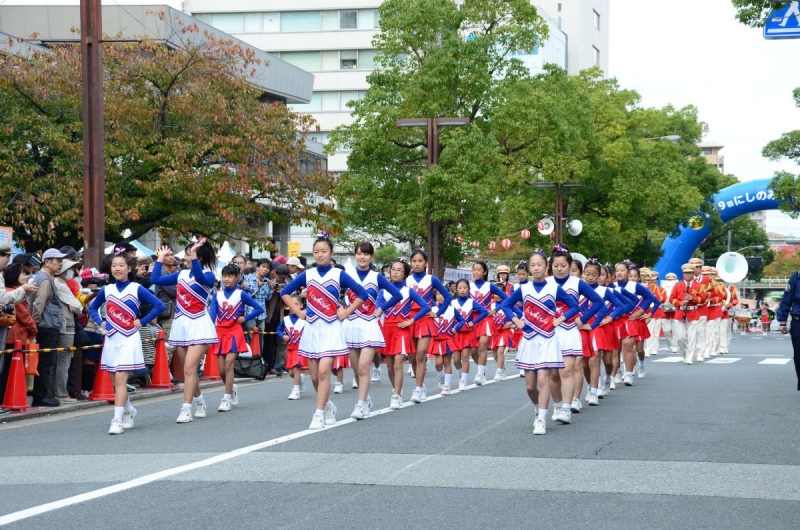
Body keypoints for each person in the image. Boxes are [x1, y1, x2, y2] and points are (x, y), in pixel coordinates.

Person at [280, 231, 368, 430]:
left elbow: (362, 293)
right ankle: (327, 405)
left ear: (331, 253)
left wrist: (346, 312)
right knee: (313, 376)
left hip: (331, 328)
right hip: (312, 328)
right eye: (316, 251)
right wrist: (297, 311)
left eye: (323, 251)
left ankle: (318, 413)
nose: (319, 255)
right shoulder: (307, 274)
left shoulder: (339, 274)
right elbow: (285, 292)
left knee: (323, 372)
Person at [497, 249, 579, 436]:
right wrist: (517, 321)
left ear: (546, 266)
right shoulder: (523, 288)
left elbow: (574, 306)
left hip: (548, 338)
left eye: (539, 265)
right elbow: (506, 305)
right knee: (530, 386)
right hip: (529, 339)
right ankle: (537, 408)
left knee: (543, 379)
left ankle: (541, 419)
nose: (536, 268)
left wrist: (559, 319)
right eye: (532, 265)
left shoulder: (554, 288)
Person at [89, 251, 164, 434]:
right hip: (112, 338)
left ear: (129, 268)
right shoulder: (107, 290)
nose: (117, 269)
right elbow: (92, 307)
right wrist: (100, 322)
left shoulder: (136, 288)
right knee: (115, 381)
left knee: (121, 378)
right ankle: (129, 409)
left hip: (129, 337)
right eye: (114, 265)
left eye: (121, 265)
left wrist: (142, 321)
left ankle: (117, 420)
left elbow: (159, 305)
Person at [151, 239, 219, 423]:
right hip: (180, 325)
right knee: (188, 371)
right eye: (188, 253)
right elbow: (154, 279)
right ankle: (199, 401)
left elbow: (199, 278)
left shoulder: (209, 275)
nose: (186, 256)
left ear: (199, 256)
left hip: (199, 325)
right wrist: (159, 259)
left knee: (190, 368)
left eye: (190, 253)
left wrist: (195, 257)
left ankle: (185, 408)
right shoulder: (180, 275)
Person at [342, 242, 401, 420]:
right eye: (359, 253)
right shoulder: (347, 275)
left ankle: (360, 405)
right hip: (351, 326)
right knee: (355, 370)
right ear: (354, 255)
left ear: (371, 257)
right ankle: (366, 399)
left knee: (363, 367)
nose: (362, 257)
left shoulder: (377, 277)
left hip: (368, 324)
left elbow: (397, 295)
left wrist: (381, 308)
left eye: (366, 254)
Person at [208, 264, 265, 412]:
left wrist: (245, 318)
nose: (226, 279)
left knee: (228, 365)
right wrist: (209, 329)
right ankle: (231, 387)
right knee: (221, 370)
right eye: (224, 275)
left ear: (236, 277)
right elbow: (212, 315)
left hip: (234, 332)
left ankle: (226, 398)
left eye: (230, 276)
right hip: (220, 332)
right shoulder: (217, 294)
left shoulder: (241, 294)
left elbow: (259, 308)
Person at [377, 258, 431, 407]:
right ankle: (397, 390)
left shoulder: (409, 291)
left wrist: (411, 320)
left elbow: (425, 307)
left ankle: (396, 396)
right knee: (389, 366)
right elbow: (378, 309)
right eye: (393, 269)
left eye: (399, 270)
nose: (395, 272)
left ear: (406, 274)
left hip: (402, 329)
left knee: (398, 363)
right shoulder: (383, 291)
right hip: (387, 329)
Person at [405, 250, 453, 403]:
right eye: (414, 261)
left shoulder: (431, 279)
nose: (417, 264)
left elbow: (447, 296)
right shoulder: (407, 280)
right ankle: (421, 385)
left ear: (425, 263)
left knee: (420, 354)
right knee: (412, 356)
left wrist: (438, 312)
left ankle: (418, 389)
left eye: (420, 261)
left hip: (426, 318)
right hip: (410, 319)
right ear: (411, 263)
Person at [29, 248, 68, 407]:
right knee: (46, 362)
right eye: (57, 260)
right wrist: (34, 324)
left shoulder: (41, 277)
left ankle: (42, 395)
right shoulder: (45, 279)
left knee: (45, 362)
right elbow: (39, 305)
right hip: (47, 325)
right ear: (47, 261)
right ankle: (41, 396)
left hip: (45, 324)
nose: (60, 263)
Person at [1, 263, 38, 413]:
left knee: (7, 370)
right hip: (15, 337)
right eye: (24, 274)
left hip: (12, 335)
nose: (28, 277)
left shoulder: (14, 291)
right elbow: (24, 316)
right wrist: (34, 329)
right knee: (9, 371)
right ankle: (6, 400)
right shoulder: (13, 293)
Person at [468, 261, 507, 385]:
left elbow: (507, 299)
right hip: (473, 319)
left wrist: (495, 310)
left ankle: (480, 375)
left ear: (484, 272)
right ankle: (482, 369)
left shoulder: (490, 286)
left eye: (479, 270)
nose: (476, 272)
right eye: (474, 269)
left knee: (483, 345)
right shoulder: (468, 286)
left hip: (486, 318)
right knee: (473, 351)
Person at [54, 258, 83, 404]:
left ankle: (57, 392)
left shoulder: (55, 282)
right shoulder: (62, 285)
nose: (71, 271)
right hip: (66, 325)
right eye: (69, 269)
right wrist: (77, 307)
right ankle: (61, 393)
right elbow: (78, 306)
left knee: (58, 361)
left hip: (59, 324)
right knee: (64, 361)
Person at [451, 278, 489, 391]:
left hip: (468, 333)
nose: (462, 290)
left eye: (465, 288)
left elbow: (485, 312)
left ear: (468, 289)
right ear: (456, 289)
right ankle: (460, 373)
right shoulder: (452, 303)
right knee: (456, 360)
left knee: (465, 357)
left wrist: (474, 322)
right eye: (460, 288)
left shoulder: (471, 302)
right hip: (456, 334)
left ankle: (463, 381)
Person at [670, 263, 704, 365]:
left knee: (692, 337)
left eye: (690, 273)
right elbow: (671, 298)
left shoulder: (698, 286)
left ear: (693, 274)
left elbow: (703, 298)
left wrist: (693, 298)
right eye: (686, 273)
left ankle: (690, 357)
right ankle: (685, 354)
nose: (688, 275)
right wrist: (679, 303)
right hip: (680, 312)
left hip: (693, 312)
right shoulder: (677, 285)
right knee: (680, 338)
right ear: (683, 274)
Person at [279, 294, 307, 400]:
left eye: (296, 304)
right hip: (290, 347)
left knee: (296, 368)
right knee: (291, 372)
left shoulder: (304, 319)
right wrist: (283, 335)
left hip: (299, 348)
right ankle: (300, 379)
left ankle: (296, 390)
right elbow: (278, 329)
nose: (293, 307)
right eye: (291, 305)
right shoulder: (286, 319)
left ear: (300, 306)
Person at [776, 272, 800, 391]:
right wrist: (782, 321)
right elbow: (787, 299)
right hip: (798, 322)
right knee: (799, 357)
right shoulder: (796, 277)